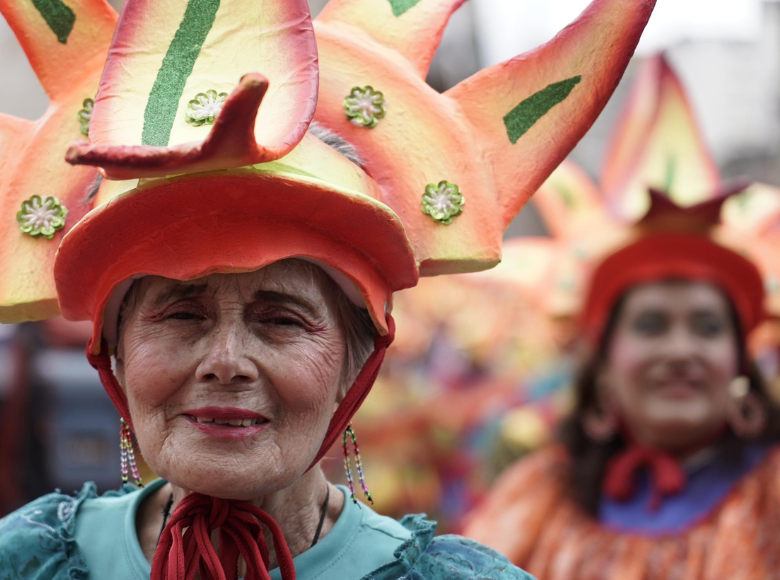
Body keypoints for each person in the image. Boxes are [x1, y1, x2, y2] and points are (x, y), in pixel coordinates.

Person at [0, 0, 655, 577]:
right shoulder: (28, 560)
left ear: (357, 359)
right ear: (112, 351)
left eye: (281, 319)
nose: (226, 362)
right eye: (179, 314)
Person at [463, 188, 780, 579]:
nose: (681, 350)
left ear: (740, 363)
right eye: (650, 325)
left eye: (708, 327)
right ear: (605, 365)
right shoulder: (537, 497)